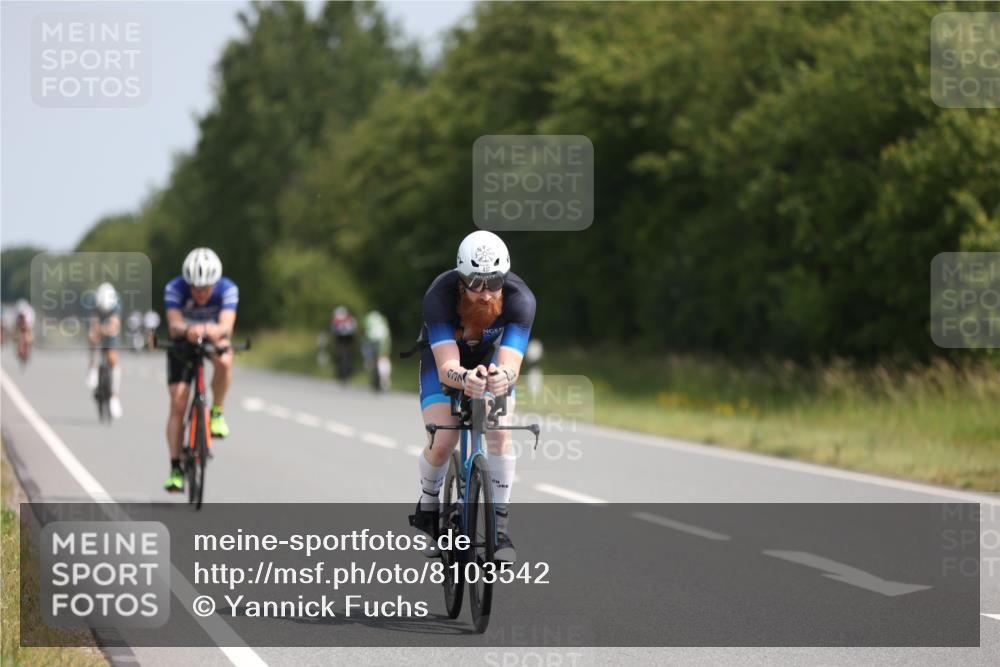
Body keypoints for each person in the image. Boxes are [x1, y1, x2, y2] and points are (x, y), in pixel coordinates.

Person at [409, 230, 535, 562]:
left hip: (490, 359)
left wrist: (499, 377)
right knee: (443, 439)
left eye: (494, 283)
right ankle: (429, 503)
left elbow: (511, 364)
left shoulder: (520, 299)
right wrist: (464, 377)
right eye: (476, 283)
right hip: (446, 361)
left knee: (500, 434)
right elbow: (446, 365)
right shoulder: (439, 295)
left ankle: (500, 530)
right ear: (461, 281)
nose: (485, 293)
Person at [162, 248, 239, 492]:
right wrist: (187, 331)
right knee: (178, 402)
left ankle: (217, 412)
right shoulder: (174, 288)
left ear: (215, 283)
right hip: (183, 342)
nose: (201, 293)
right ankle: (175, 468)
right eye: (195, 288)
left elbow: (226, 327)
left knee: (225, 359)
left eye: (206, 288)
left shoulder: (228, 289)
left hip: (213, 337)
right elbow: (174, 325)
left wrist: (212, 331)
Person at [86, 283, 123, 418]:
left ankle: (114, 396)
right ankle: (92, 367)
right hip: (96, 321)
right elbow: (93, 323)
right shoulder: (92, 302)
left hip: (110, 324)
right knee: (93, 337)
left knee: (113, 357)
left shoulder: (117, 303)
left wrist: (108, 330)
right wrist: (96, 332)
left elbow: (115, 324)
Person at [362, 310, 392, 391]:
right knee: (383, 359)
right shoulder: (382, 319)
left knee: (370, 361)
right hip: (384, 341)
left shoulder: (367, 319)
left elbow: (365, 332)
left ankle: (376, 380)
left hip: (371, 341)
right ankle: (385, 381)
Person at [330, 305, 357, 383]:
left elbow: (333, 330)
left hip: (341, 339)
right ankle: (346, 372)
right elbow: (355, 329)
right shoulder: (350, 318)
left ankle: (341, 373)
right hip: (348, 339)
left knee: (340, 354)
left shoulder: (336, 319)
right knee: (347, 355)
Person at [13, 299, 36, 368]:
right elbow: (16, 329)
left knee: (30, 339)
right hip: (19, 327)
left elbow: (30, 327)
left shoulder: (29, 314)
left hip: (27, 327)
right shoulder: (17, 316)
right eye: (21, 317)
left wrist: (29, 338)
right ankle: (19, 351)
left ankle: (28, 351)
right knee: (17, 338)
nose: (22, 318)